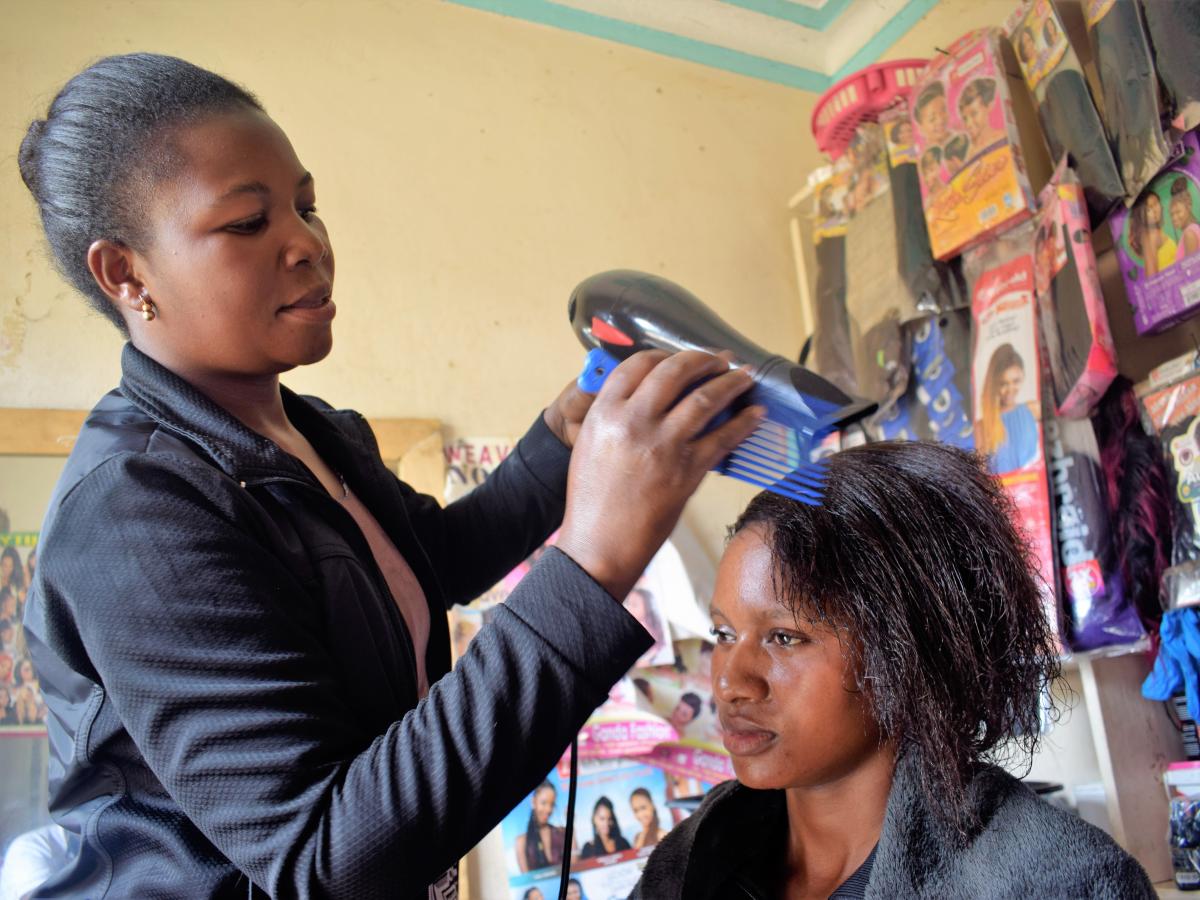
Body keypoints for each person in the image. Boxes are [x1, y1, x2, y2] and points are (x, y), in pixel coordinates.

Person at [16, 53, 763, 899]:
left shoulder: (310, 433)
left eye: (307, 205)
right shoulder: (135, 511)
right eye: (249, 224)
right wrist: (594, 563)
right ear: (127, 274)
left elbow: (430, 560)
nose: (308, 244)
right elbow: (325, 859)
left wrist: (563, 439)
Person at [631, 441, 1154, 899]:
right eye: (724, 634)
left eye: (784, 638)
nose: (728, 683)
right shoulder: (692, 860)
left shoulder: (1053, 882)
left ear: (911, 652)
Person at [976, 343, 1040, 474]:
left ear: (1023, 376)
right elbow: (983, 475)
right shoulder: (981, 427)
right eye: (1003, 384)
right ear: (993, 384)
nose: (1010, 389)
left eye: (1016, 381)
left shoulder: (1034, 409)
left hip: (1034, 487)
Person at [514, 781, 571, 874]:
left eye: (552, 804)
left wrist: (571, 827)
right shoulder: (521, 842)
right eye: (544, 803)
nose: (548, 810)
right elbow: (527, 880)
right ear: (533, 802)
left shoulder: (561, 833)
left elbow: (574, 865)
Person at [1130, 190, 1177, 276]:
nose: (1154, 211)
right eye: (1148, 209)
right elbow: (1152, 277)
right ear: (1142, 215)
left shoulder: (1157, 231)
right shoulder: (1150, 236)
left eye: (1155, 204)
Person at [957, 78, 1005, 161]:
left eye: (974, 114)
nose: (968, 123)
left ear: (989, 106)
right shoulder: (970, 154)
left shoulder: (1002, 137)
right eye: (964, 118)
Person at [1171, 176, 1200, 262]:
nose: (1174, 218)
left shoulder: (1189, 234)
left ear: (1189, 206)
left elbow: (1191, 272)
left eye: (1178, 212)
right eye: (1172, 214)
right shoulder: (1194, 228)